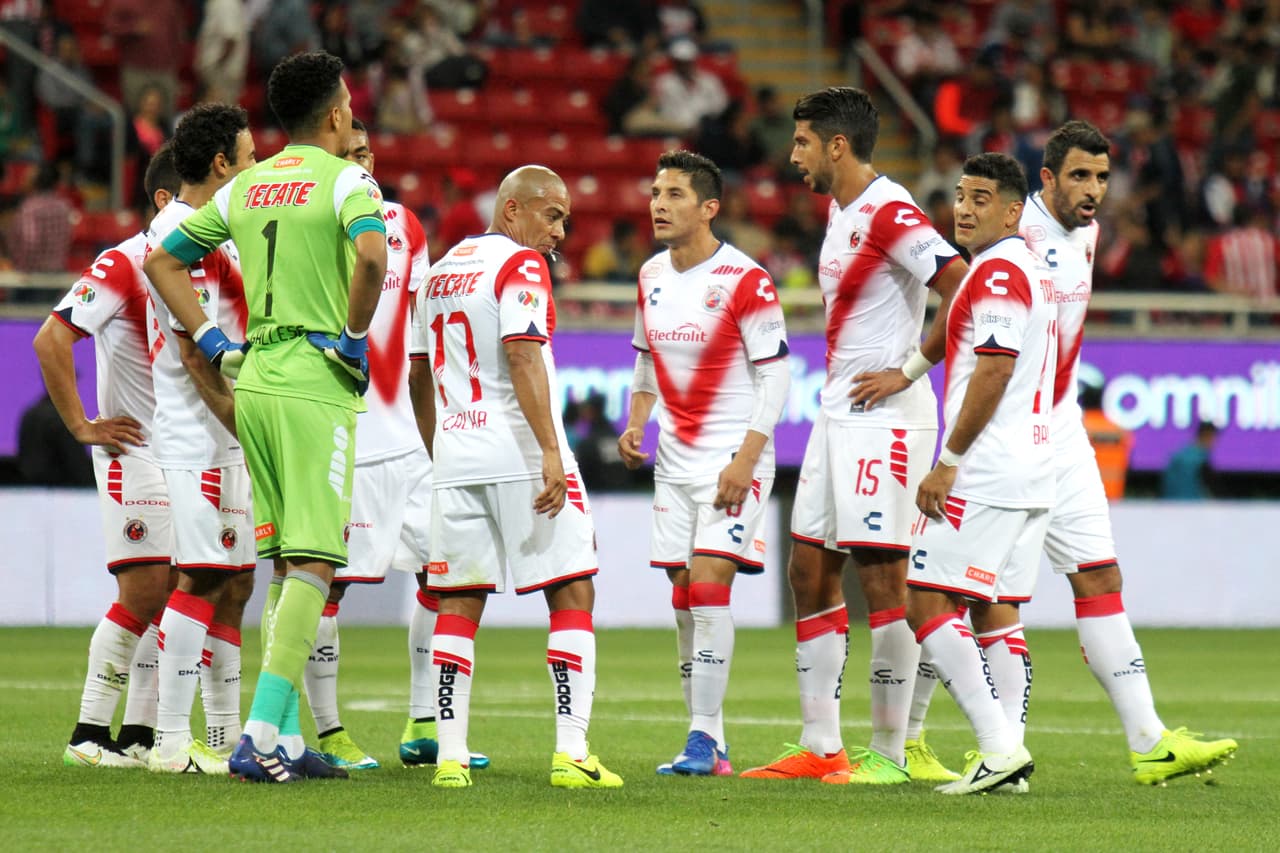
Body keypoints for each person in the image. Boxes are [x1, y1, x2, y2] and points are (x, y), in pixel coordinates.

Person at [145, 50, 387, 784]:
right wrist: (351, 338)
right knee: (316, 558)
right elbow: (372, 258)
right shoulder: (350, 178)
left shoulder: (248, 184)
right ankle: (256, 735)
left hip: (254, 379)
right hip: (316, 381)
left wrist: (217, 343)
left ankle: (281, 739)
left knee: (286, 558)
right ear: (339, 115)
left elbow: (163, 260)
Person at [742, 87, 966, 786]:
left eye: (803, 141)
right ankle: (822, 743)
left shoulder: (890, 210)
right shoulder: (841, 210)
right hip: (837, 413)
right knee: (808, 568)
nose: (794, 154)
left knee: (881, 576)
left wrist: (910, 368)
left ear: (837, 145)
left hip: (886, 419)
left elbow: (962, 281)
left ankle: (891, 754)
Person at [1023, 120, 1237, 781]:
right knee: (961, 598)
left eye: (1103, 177)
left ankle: (1149, 741)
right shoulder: (1014, 236)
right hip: (1006, 435)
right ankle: (925, 742)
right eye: (1080, 176)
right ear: (1048, 177)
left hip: (1063, 428)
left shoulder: (1086, 236)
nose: (1094, 191)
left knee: (1100, 578)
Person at [408, 165, 622, 790]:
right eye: (551, 215)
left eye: (565, 219)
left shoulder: (438, 272)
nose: (560, 231)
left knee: (458, 600)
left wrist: (439, 449)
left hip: (455, 455)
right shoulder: (519, 266)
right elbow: (523, 353)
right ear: (512, 211)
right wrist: (552, 453)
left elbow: (419, 376)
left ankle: (450, 759)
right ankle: (571, 751)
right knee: (572, 591)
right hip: (519, 453)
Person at [302, 119, 489, 773]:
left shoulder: (405, 227)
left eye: (367, 154)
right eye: (348, 154)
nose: (362, 163)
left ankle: (424, 722)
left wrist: (437, 443)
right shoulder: (312, 221)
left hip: (407, 443)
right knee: (325, 588)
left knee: (442, 574)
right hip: (341, 436)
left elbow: (423, 344)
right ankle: (328, 732)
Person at [618, 150, 790, 776]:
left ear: (709, 208)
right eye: (655, 191)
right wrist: (637, 421)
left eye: (674, 194)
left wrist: (747, 459)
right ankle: (710, 742)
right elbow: (644, 361)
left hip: (732, 457)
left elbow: (776, 376)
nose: (658, 204)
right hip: (674, 458)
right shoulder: (651, 275)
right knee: (685, 596)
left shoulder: (746, 279)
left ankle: (699, 736)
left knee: (712, 587)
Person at [904, 151, 1054, 795]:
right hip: (1029, 466)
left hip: (987, 469)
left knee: (925, 598)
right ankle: (1009, 758)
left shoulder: (997, 273)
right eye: (960, 195)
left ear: (1014, 210)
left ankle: (997, 748)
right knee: (994, 609)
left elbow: (992, 369)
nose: (964, 208)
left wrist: (949, 463)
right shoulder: (1014, 267)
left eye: (981, 198)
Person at [34, 145, 182, 768]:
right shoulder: (124, 262)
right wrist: (81, 424)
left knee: (174, 591)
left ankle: (140, 735)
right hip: (132, 447)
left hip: (180, 449)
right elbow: (52, 338)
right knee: (146, 587)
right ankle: (88, 733)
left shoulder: (198, 264)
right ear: (164, 200)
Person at [142, 103, 258, 776]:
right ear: (220, 164)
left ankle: (222, 737)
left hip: (225, 433)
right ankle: (167, 740)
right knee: (205, 574)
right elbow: (195, 352)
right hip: (199, 428)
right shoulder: (181, 232)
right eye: (247, 157)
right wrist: (247, 427)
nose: (254, 167)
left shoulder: (219, 229)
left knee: (234, 583)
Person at [1161, 421, 1220, 501]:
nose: (1214, 442)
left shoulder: (1179, 455)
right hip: (1189, 506)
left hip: (1171, 505)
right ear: (1207, 435)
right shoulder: (1198, 460)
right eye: (1214, 438)